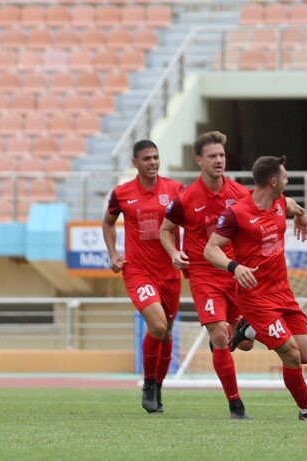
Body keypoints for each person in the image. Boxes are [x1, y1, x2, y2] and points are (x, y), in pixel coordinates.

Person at [204, 155, 307, 422]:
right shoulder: (237, 213)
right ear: (273, 180)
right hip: (255, 297)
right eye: (285, 176)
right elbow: (210, 249)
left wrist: (302, 215)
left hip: (282, 292)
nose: (287, 180)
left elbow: (292, 205)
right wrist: (234, 267)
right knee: (291, 353)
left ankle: (248, 329)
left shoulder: (279, 203)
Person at [159, 131, 253, 419]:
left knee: (246, 342)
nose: (219, 160)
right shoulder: (185, 197)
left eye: (222, 155)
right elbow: (165, 230)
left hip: (234, 271)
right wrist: (175, 253)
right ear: (199, 160)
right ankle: (235, 405)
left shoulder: (239, 193)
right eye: (212, 156)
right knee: (219, 336)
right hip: (203, 274)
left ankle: (232, 338)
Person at [102, 139, 183, 414]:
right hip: (138, 271)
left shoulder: (174, 189)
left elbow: (192, 220)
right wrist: (113, 253)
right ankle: (148, 383)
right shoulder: (122, 193)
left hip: (170, 272)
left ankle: (158, 385)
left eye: (156, 157)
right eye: (146, 158)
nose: (152, 163)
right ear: (135, 163)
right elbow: (108, 222)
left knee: (167, 331)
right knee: (158, 326)